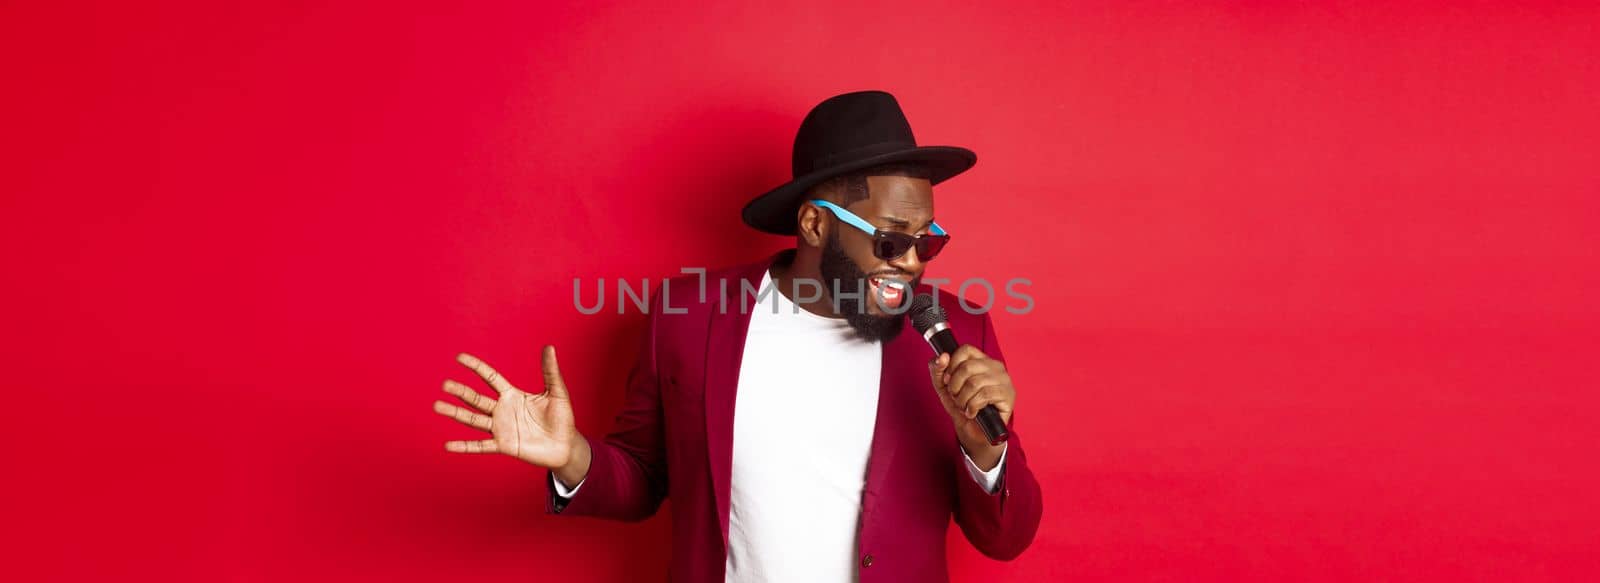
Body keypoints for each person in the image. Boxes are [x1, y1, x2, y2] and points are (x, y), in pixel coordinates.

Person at [432, 90, 1043, 582]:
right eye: (891, 239)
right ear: (814, 224)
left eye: (926, 242)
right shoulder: (689, 316)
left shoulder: (956, 334)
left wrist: (985, 452)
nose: (911, 262)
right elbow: (644, 476)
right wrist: (573, 458)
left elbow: (1006, 539)